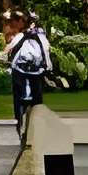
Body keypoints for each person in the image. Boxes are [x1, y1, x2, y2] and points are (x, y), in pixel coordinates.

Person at [7, 12, 54, 140]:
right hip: (32, 72)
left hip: (22, 72)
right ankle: (29, 125)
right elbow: (46, 52)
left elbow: (10, 50)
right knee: (34, 100)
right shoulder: (37, 37)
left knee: (23, 100)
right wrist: (48, 68)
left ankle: (23, 124)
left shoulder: (23, 36)